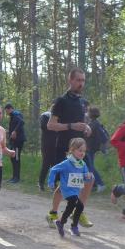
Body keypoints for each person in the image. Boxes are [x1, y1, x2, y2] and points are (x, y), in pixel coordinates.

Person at [45, 68, 94, 228]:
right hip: (65, 149)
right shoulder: (61, 101)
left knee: (89, 179)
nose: (81, 83)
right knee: (65, 185)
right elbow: (51, 125)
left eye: (83, 80)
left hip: (80, 149)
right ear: (70, 80)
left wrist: (87, 127)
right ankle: (53, 213)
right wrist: (71, 126)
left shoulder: (83, 102)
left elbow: (82, 123)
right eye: (78, 80)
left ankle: (78, 212)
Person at [47, 138, 92, 237]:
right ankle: (66, 224)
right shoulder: (66, 163)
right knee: (73, 202)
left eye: (84, 151)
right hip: (66, 189)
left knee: (80, 206)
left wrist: (87, 176)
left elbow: (85, 175)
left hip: (76, 190)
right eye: (80, 150)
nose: (82, 153)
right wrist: (51, 182)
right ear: (72, 150)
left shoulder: (83, 164)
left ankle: (69, 225)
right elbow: (53, 170)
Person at [84, 106, 108, 192]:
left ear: (91, 114)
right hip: (91, 147)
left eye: (88, 112)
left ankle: (100, 184)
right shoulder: (95, 123)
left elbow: (103, 137)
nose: (87, 113)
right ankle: (92, 185)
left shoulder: (93, 124)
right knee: (89, 166)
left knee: (90, 167)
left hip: (90, 148)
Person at [4, 103, 25, 183]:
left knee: (16, 158)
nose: (6, 113)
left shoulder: (16, 114)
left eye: (6, 111)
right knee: (13, 157)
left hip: (18, 141)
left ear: (10, 109)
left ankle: (17, 178)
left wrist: (15, 131)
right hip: (13, 141)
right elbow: (15, 126)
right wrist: (9, 132)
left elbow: (22, 122)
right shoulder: (12, 116)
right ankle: (14, 177)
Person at [38, 111, 55, 191]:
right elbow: (44, 126)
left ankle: (52, 183)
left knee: (55, 165)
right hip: (46, 144)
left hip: (56, 144)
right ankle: (41, 183)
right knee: (46, 164)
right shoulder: (45, 115)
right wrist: (55, 126)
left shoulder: (60, 116)